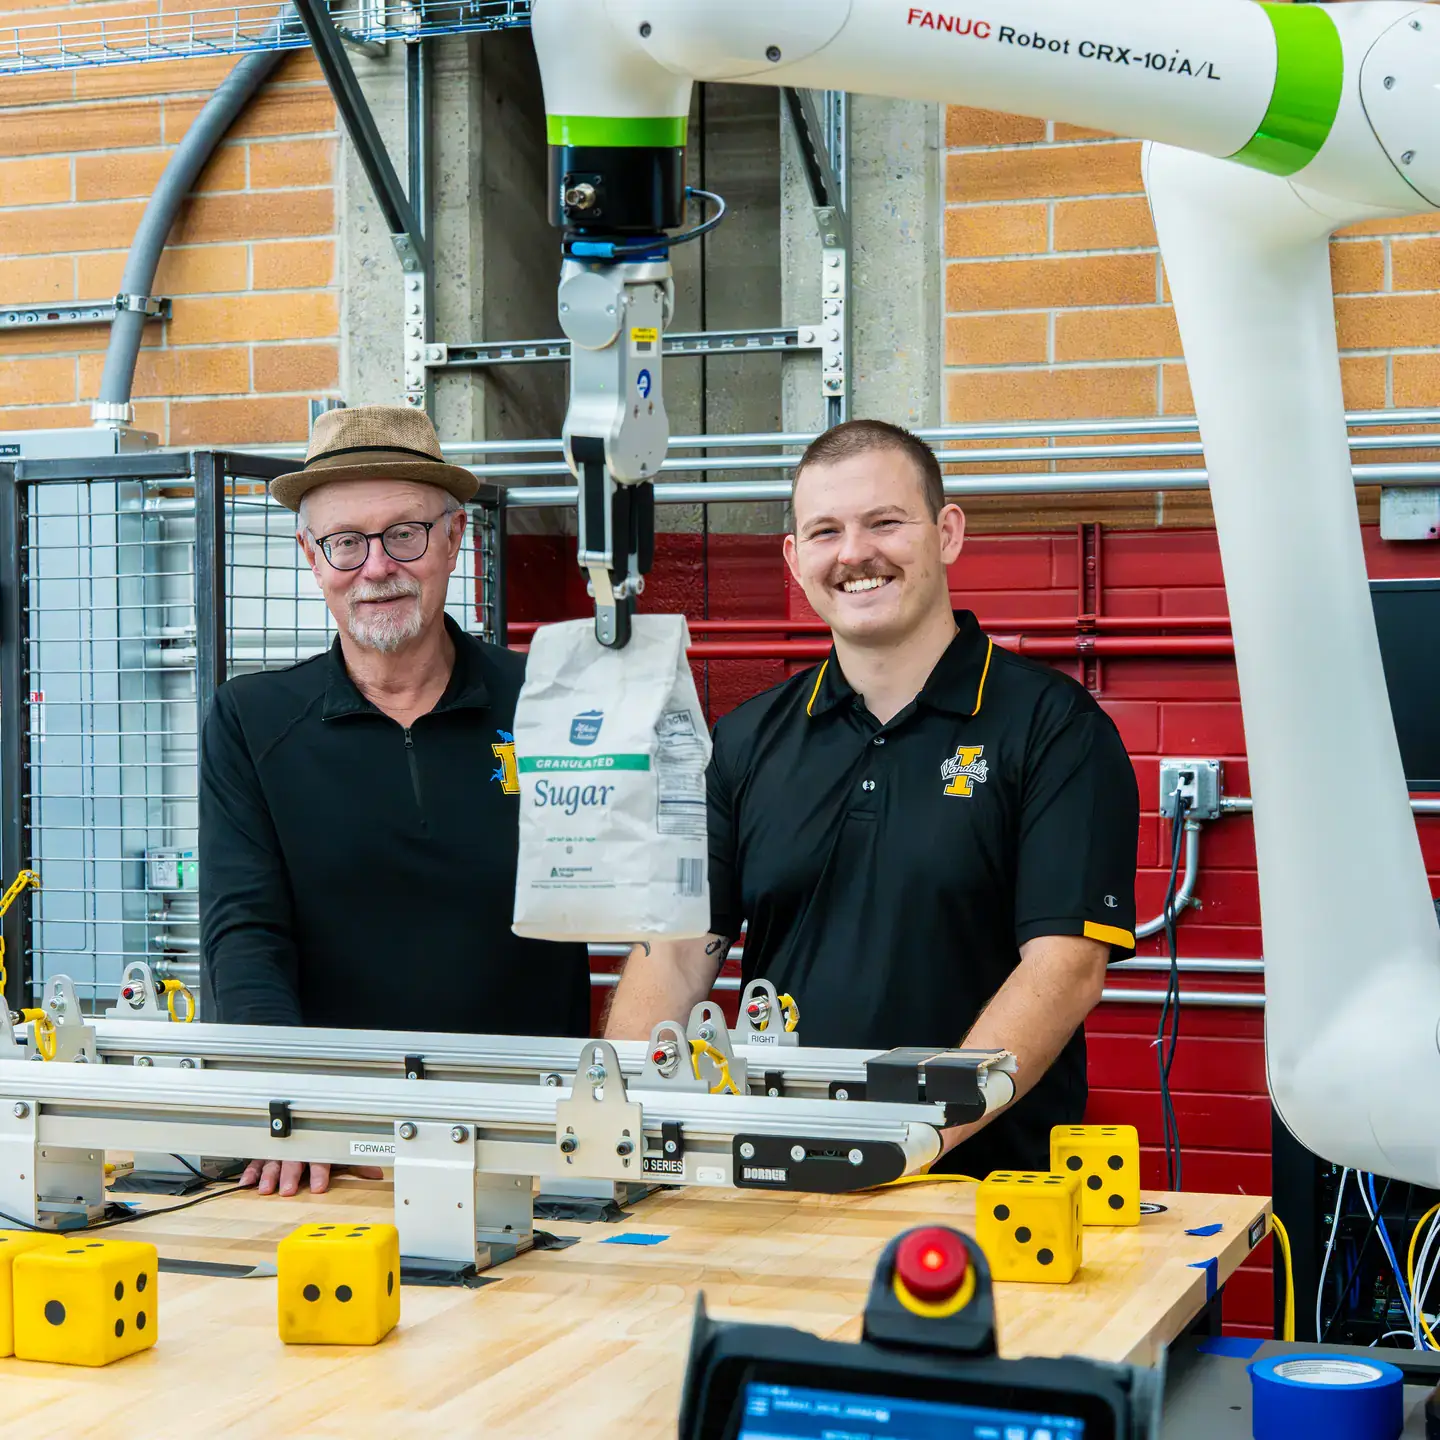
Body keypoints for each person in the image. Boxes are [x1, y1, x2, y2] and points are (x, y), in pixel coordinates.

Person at [604, 419, 1139, 1176]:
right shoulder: (747, 740)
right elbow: (678, 951)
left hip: (980, 1191)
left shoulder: (1054, 730)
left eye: (884, 522)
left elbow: (1064, 968)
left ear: (946, 533)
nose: (855, 554)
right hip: (775, 1179)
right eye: (825, 531)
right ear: (794, 559)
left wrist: (905, 1141)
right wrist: (617, 1125)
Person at [200, 405, 591, 1196]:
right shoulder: (253, 720)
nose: (376, 567)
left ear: (454, 539)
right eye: (345, 542)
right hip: (334, 1146)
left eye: (405, 534)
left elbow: (640, 902)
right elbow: (244, 932)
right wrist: (288, 1100)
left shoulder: (553, 699)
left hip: (534, 1137)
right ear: (311, 558)